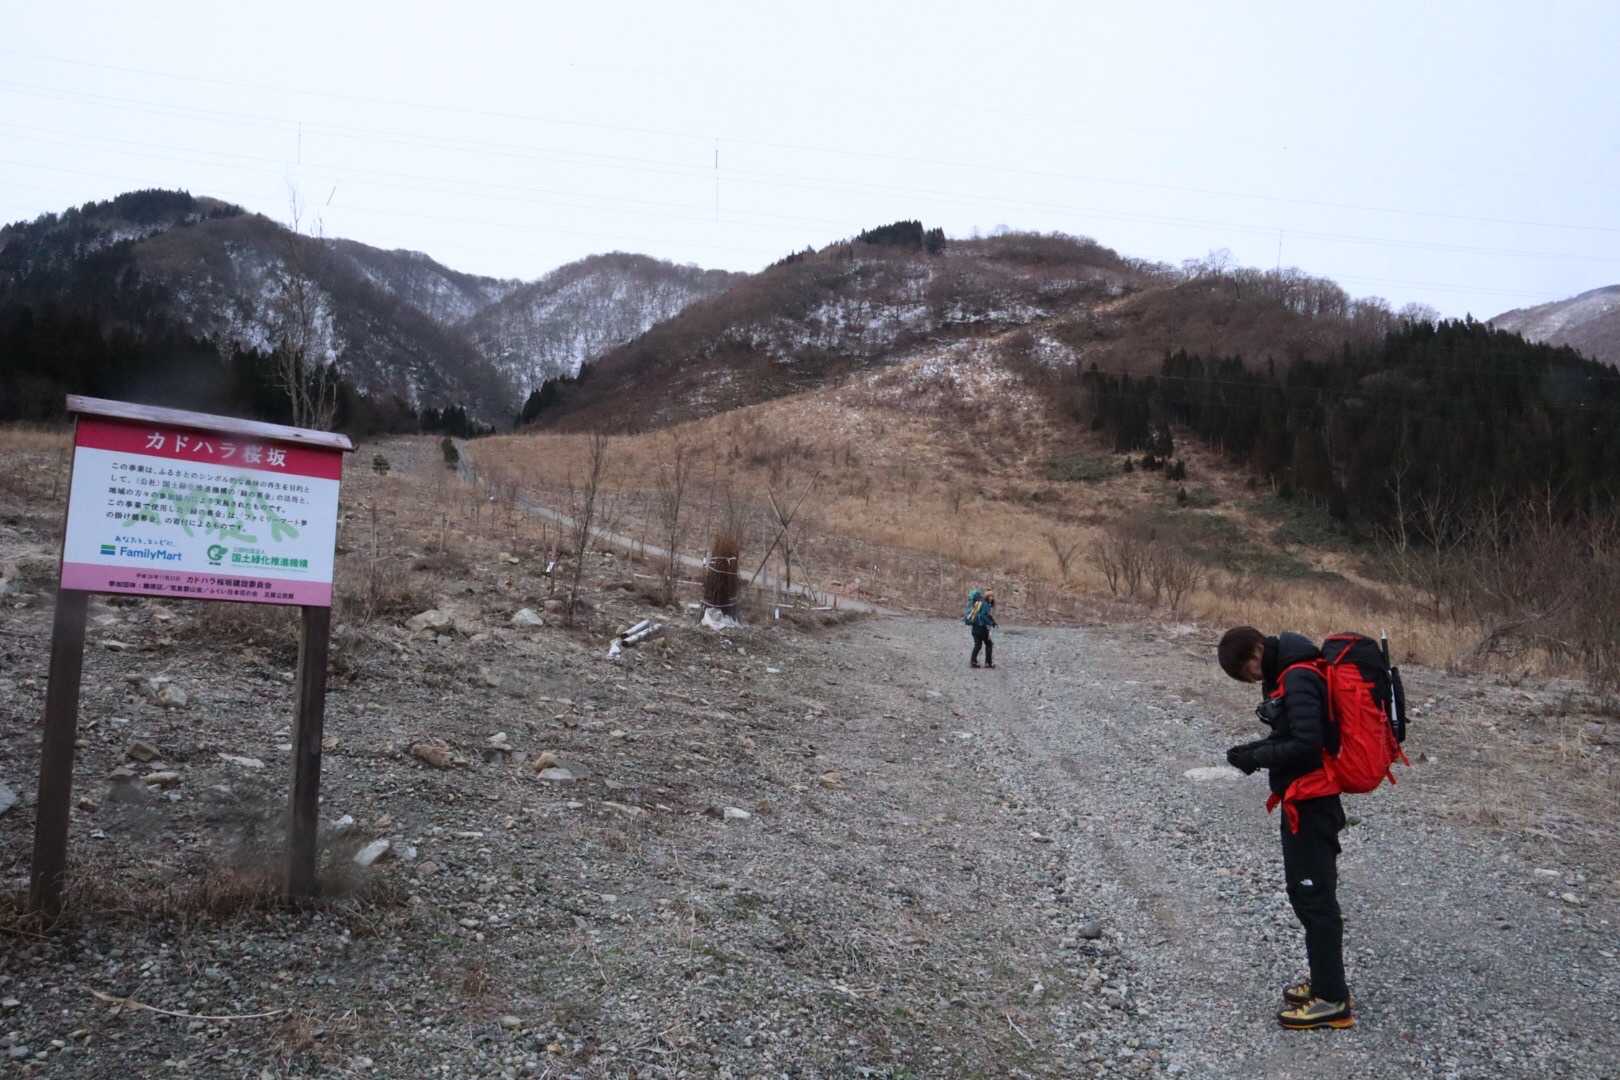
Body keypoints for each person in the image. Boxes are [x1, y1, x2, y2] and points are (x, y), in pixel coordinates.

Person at [1218, 625, 1353, 1031]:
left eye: (1248, 669)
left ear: (1257, 650)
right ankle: (1325, 983)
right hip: (1303, 799)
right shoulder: (1288, 674)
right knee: (1304, 893)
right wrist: (1254, 750)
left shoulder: (1297, 676)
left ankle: (1332, 1001)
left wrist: (1258, 757)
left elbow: (1309, 745)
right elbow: (1293, 735)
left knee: (1314, 897)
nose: (1252, 678)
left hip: (1313, 802)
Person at [967, 589, 997, 669]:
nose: (992, 598)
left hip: (975, 627)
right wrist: (990, 623)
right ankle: (988, 663)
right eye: (990, 596)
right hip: (982, 628)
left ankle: (973, 662)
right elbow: (984, 615)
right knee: (989, 644)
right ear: (987, 597)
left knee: (978, 645)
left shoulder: (980, 603)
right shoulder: (986, 604)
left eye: (992, 596)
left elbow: (985, 615)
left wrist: (993, 621)